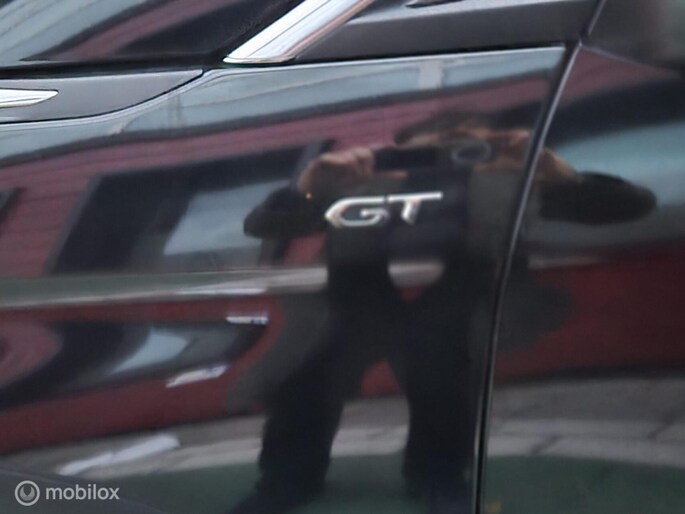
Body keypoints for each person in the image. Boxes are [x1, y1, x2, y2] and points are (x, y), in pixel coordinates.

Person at [227, 112, 654, 514]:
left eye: (461, 148)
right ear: (394, 151)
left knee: (444, 365)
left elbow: (627, 209)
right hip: (361, 303)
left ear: (489, 148)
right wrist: (308, 188)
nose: (442, 161)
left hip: (465, 300)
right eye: (422, 153)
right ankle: (286, 479)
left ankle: (438, 475)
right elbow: (268, 227)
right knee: (310, 374)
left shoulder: (512, 181)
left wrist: (557, 174)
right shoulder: (362, 181)